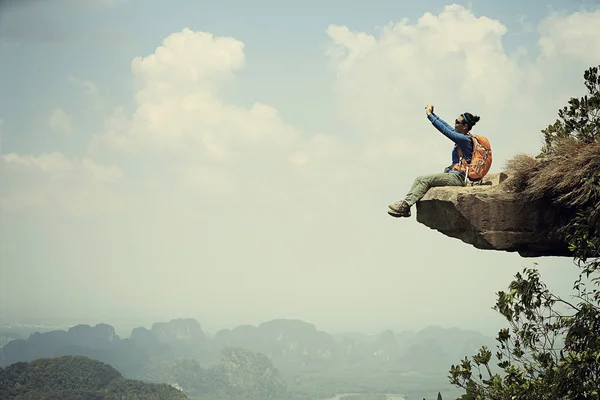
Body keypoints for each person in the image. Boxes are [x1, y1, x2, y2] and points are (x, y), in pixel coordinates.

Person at [387, 104, 481, 218]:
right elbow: (447, 126)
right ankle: (406, 207)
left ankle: (405, 205)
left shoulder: (464, 139)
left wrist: (429, 115)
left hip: (458, 177)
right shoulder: (462, 137)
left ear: (465, 126)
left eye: (457, 122)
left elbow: (446, 130)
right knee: (419, 179)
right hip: (454, 174)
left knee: (425, 180)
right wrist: (433, 115)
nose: (454, 123)